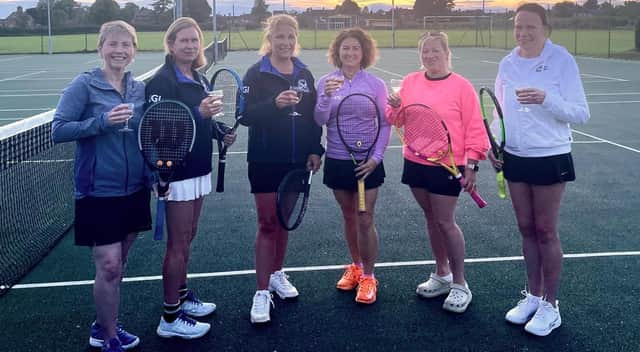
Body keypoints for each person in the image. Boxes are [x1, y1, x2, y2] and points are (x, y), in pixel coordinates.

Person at [491, 3, 590, 336]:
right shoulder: (507, 63)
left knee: (546, 230)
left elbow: (580, 113)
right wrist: (496, 145)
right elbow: (499, 113)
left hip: (551, 156)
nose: (523, 33)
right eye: (518, 26)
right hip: (515, 157)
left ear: (546, 28)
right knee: (526, 228)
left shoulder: (562, 60)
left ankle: (551, 305)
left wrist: (546, 98)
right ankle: (532, 296)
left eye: (531, 27)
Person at [51, 21, 149, 352]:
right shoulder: (84, 86)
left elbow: (141, 136)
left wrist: (152, 176)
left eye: (126, 45)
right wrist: (102, 123)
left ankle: (103, 323)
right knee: (108, 265)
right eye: (113, 44)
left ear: (134, 50)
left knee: (119, 264)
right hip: (98, 191)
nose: (119, 50)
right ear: (101, 48)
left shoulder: (138, 89)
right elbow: (59, 129)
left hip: (135, 189)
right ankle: (108, 339)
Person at [145, 17, 236, 339]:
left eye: (194, 40)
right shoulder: (161, 81)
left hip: (199, 166)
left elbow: (204, 119)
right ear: (171, 44)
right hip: (176, 170)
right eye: (183, 40)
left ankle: (182, 297)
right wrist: (200, 113)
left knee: (189, 236)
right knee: (178, 243)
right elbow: (157, 125)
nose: (190, 45)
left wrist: (219, 131)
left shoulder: (198, 76)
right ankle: (170, 317)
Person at [386, 32, 488, 314]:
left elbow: (474, 128)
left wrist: (471, 165)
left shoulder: (462, 87)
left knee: (445, 221)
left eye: (435, 51)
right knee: (431, 218)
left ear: (446, 52)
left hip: (448, 164)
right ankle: (441, 274)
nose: (430, 56)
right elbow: (397, 118)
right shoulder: (410, 82)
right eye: (425, 52)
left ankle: (459, 284)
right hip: (416, 160)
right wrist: (394, 107)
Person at [240, 14, 324, 324]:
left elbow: (315, 116)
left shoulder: (304, 73)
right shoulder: (256, 73)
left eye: (290, 38)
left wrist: (316, 148)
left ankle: (276, 273)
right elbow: (245, 115)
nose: (286, 43)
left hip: (297, 162)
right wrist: (274, 105)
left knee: (284, 221)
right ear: (270, 40)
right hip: (264, 161)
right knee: (267, 224)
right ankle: (261, 292)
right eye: (280, 38)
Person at [314, 28, 391, 304]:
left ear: (364, 53)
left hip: (368, 163)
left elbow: (385, 123)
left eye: (355, 49)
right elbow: (320, 119)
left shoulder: (376, 85)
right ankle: (356, 267)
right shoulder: (325, 82)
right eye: (345, 48)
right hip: (337, 158)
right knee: (349, 216)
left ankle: (369, 276)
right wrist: (324, 97)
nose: (350, 53)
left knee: (365, 217)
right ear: (337, 51)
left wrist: (376, 158)